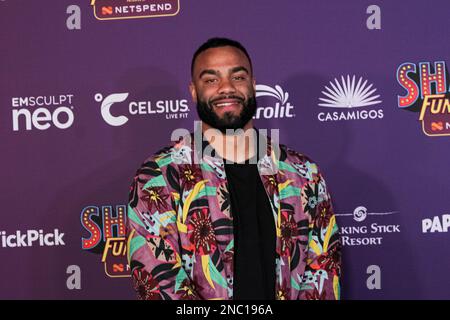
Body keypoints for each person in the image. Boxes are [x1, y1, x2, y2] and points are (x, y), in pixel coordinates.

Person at [126, 37, 341, 300]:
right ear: (194, 91)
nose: (226, 88)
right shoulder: (159, 176)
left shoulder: (302, 173)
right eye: (211, 80)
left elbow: (324, 269)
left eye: (238, 77)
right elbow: (157, 281)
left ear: (253, 84)